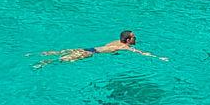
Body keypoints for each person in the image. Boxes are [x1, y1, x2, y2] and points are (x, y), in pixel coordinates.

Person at [36, 30, 166, 65]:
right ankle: (45, 63)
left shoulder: (116, 41)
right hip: (91, 53)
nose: (136, 39)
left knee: (60, 52)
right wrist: (160, 57)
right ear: (128, 40)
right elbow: (141, 53)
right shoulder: (124, 47)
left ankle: (42, 54)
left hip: (90, 48)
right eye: (134, 38)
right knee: (62, 60)